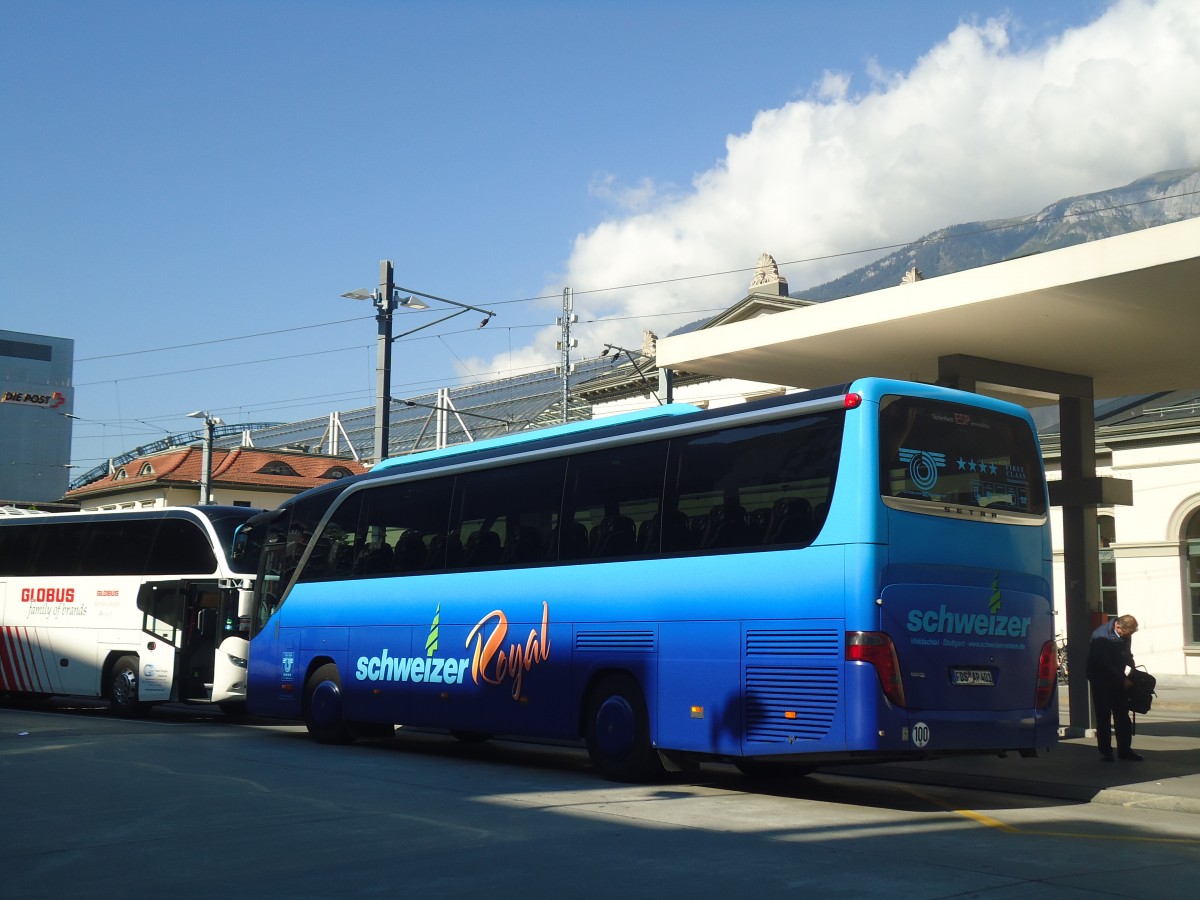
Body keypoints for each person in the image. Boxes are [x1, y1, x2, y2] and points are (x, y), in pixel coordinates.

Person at [1086, 614, 1143, 762]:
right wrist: (1122, 679)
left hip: (1118, 678)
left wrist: (1132, 668)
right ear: (1118, 627)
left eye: (1130, 634)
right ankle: (1105, 752)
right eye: (1127, 634)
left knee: (1123, 715)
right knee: (1103, 716)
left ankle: (1125, 750)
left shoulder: (1126, 635)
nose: (1128, 637)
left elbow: (1126, 653)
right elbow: (1104, 663)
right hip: (1100, 679)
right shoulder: (1100, 636)